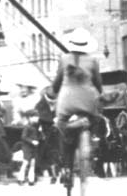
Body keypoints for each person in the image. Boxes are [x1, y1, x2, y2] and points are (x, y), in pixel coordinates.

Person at [52, 28, 103, 183]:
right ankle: (91, 137)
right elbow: (98, 83)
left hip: (67, 100)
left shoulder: (63, 59)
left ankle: (66, 167)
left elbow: (57, 82)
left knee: (61, 125)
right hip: (88, 99)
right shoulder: (93, 61)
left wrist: (55, 91)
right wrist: (98, 93)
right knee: (96, 118)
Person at [34, 86, 60, 184]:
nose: (53, 103)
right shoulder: (40, 105)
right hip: (44, 133)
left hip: (56, 132)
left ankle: (55, 174)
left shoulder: (60, 104)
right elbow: (38, 117)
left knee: (55, 153)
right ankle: (38, 173)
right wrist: (51, 120)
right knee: (42, 152)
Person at [17, 110, 41, 186]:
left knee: (33, 163)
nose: (37, 119)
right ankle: (20, 178)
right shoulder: (27, 127)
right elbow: (23, 137)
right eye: (35, 117)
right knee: (25, 162)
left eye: (38, 117)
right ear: (30, 118)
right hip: (27, 147)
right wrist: (32, 141)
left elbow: (39, 137)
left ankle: (31, 180)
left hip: (34, 147)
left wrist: (40, 133)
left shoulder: (36, 127)